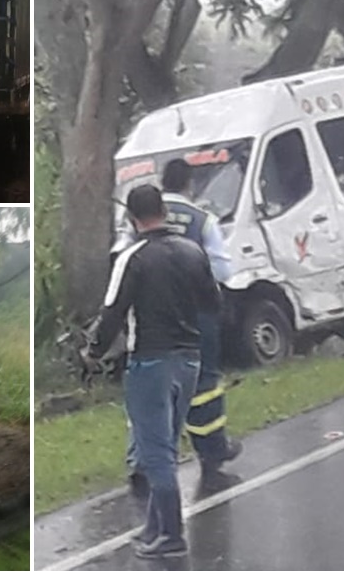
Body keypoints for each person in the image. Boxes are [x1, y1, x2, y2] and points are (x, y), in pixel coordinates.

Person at [87, 184, 220, 559]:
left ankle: (172, 535)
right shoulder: (192, 251)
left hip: (150, 362)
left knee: (155, 452)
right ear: (163, 210)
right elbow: (213, 302)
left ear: (132, 219)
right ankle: (154, 527)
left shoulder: (132, 258)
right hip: (189, 359)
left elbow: (112, 313)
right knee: (167, 443)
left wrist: (92, 353)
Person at [117, 160, 242, 489]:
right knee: (204, 384)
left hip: (150, 315)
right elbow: (222, 271)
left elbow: (122, 260)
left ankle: (144, 461)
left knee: (149, 389)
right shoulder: (202, 219)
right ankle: (212, 452)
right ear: (190, 184)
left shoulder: (137, 219)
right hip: (197, 313)